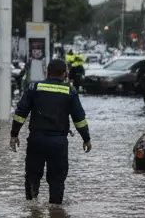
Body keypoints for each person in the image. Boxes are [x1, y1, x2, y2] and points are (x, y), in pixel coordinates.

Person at [9, 58, 91, 205]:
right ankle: (55, 214)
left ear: (47, 72)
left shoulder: (34, 88)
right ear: (64, 74)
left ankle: (32, 210)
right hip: (58, 143)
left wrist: (14, 134)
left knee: (32, 176)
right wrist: (86, 138)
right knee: (57, 179)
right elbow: (79, 119)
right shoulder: (69, 91)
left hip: (36, 140)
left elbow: (20, 113)